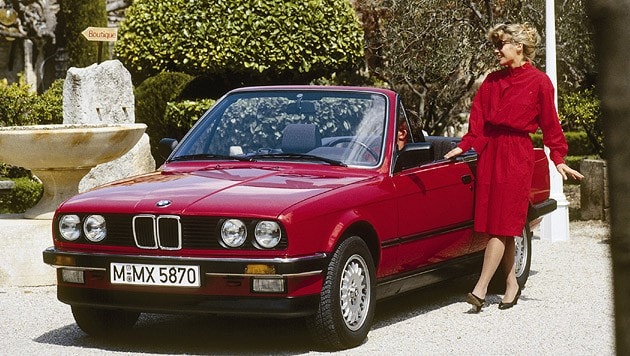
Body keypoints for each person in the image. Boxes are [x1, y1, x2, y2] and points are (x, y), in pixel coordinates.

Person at [444, 23, 584, 312]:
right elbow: (478, 121)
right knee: (503, 225)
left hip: (516, 157)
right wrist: (465, 145)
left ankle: (480, 288)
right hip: (491, 154)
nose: (497, 50)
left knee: (501, 225)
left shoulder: (540, 82)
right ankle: (511, 284)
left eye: (502, 45)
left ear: (518, 47)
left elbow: (551, 126)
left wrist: (558, 158)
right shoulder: (491, 82)